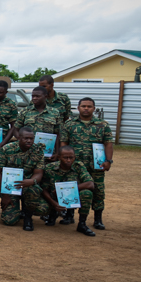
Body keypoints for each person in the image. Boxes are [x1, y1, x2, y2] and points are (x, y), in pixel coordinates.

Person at [60, 97, 113, 231]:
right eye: (83, 106)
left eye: (89, 106)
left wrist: (108, 161)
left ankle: (98, 219)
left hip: (96, 165)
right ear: (78, 108)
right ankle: (69, 215)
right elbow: (64, 143)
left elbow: (108, 143)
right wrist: (64, 161)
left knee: (98, 191)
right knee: (72, 188)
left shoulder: (103, 125)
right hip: (74, 165)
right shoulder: (70, 124)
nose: (86, 108)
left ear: (94, 109)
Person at [0, 127, 49, 230]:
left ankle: (28, 217)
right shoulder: (7, 149)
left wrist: (32, 181)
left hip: (27, 186)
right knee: (9, 220)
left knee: (43, 208)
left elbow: (39, 173)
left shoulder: (38, 151)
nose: (29, 141)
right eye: (26, 138)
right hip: (10, 189)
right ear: (19, 138)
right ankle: (17, 210)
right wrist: (4, 195)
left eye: (31, 138)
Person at [41, 145, 95, 236]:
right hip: (54, 198)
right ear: (59, 157)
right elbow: (43, 189)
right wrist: (53, 203)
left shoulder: (78, 166)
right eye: (65, 158)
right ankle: (52, 214)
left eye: (71, 157)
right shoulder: (49, 168)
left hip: (71, 196)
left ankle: (82, 224)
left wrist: (67, 190)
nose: (69, 160)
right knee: (41, 207)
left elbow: (90, 184)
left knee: (87, 193)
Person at [11, 86, 61, 156]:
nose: (34, 98)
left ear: (45, 96)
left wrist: (57, 152)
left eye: (37, 96)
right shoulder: (25, 111)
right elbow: (16, 129)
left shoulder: (54, 113)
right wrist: (22, 141)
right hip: (27, 152)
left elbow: (57, 134)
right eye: (33, 96)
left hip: (46, 151)